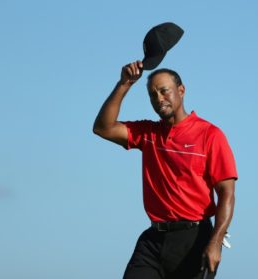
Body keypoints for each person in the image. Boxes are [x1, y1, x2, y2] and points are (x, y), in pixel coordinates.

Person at [93, 60, 238, 279]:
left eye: (164, 91)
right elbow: (102, 128)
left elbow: (227, 193)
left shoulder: (210, 135)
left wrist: (215, 243)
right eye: (153, 95)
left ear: (181, 90)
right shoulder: (148, 133)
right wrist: (124, 84)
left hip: (194, 240)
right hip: (153, 241)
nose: (159, 99)